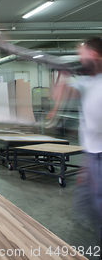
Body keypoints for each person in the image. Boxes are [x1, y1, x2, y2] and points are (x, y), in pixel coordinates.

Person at [52, 37, 102, 243]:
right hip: (92, 154)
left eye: (82, 53)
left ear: (95, 55)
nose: (79, 58)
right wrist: (62, 75)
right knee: (82, 204)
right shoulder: (87, 81)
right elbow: (60, 96)